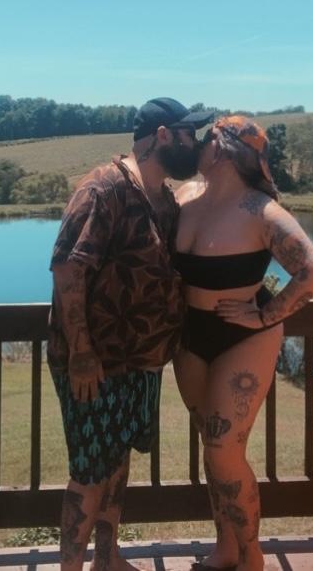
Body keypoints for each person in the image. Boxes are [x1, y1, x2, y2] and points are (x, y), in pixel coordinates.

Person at [49, 97, 212, 571]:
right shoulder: (105, 188)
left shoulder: (163, 199)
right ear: (163, 136)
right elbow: (68, 269)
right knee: (90, 472)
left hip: (141, 361)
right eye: (188, 134)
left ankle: (108, 559)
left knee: (118, 461)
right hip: (95, 364)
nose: (195, 143)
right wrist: (81, 352)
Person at [173, 116, 313, 571]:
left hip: (244, 339)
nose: (198, 146)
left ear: (222, 149)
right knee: (212, 445)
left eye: (206, 139)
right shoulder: (184, 197)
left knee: (224, 447)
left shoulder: (261, 211)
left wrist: (264, 315)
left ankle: (251, 555)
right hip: (191, 335)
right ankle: (225, 548)